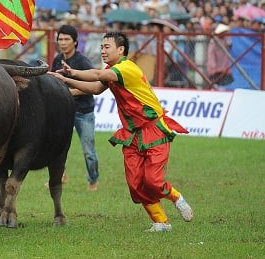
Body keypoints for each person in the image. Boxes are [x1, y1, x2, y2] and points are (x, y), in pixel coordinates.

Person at [48, 32, 194, 232]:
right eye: (101, 47)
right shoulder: (111, 70)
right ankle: (161, 222)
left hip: (153, 130)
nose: (102, 51)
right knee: (135, 184)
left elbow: (98, 76)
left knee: (153, 181)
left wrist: (71, 73)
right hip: (132, 134)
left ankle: (176, 197)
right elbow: (96, 88)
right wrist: (65, 82)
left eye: (106, 47)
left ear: (121, 49)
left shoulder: (126, 68)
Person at [51, 25, 99, 191]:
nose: (63, 43)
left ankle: (93, 180)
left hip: (83, 111)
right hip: (63, 112)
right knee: (58, 147)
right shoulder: (57, 60)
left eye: (67, 39)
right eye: (60, 39)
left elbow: (93, 85)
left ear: (75, 42)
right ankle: (60, 176)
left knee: (88, 151)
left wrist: (67, 92)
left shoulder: (82, 62)